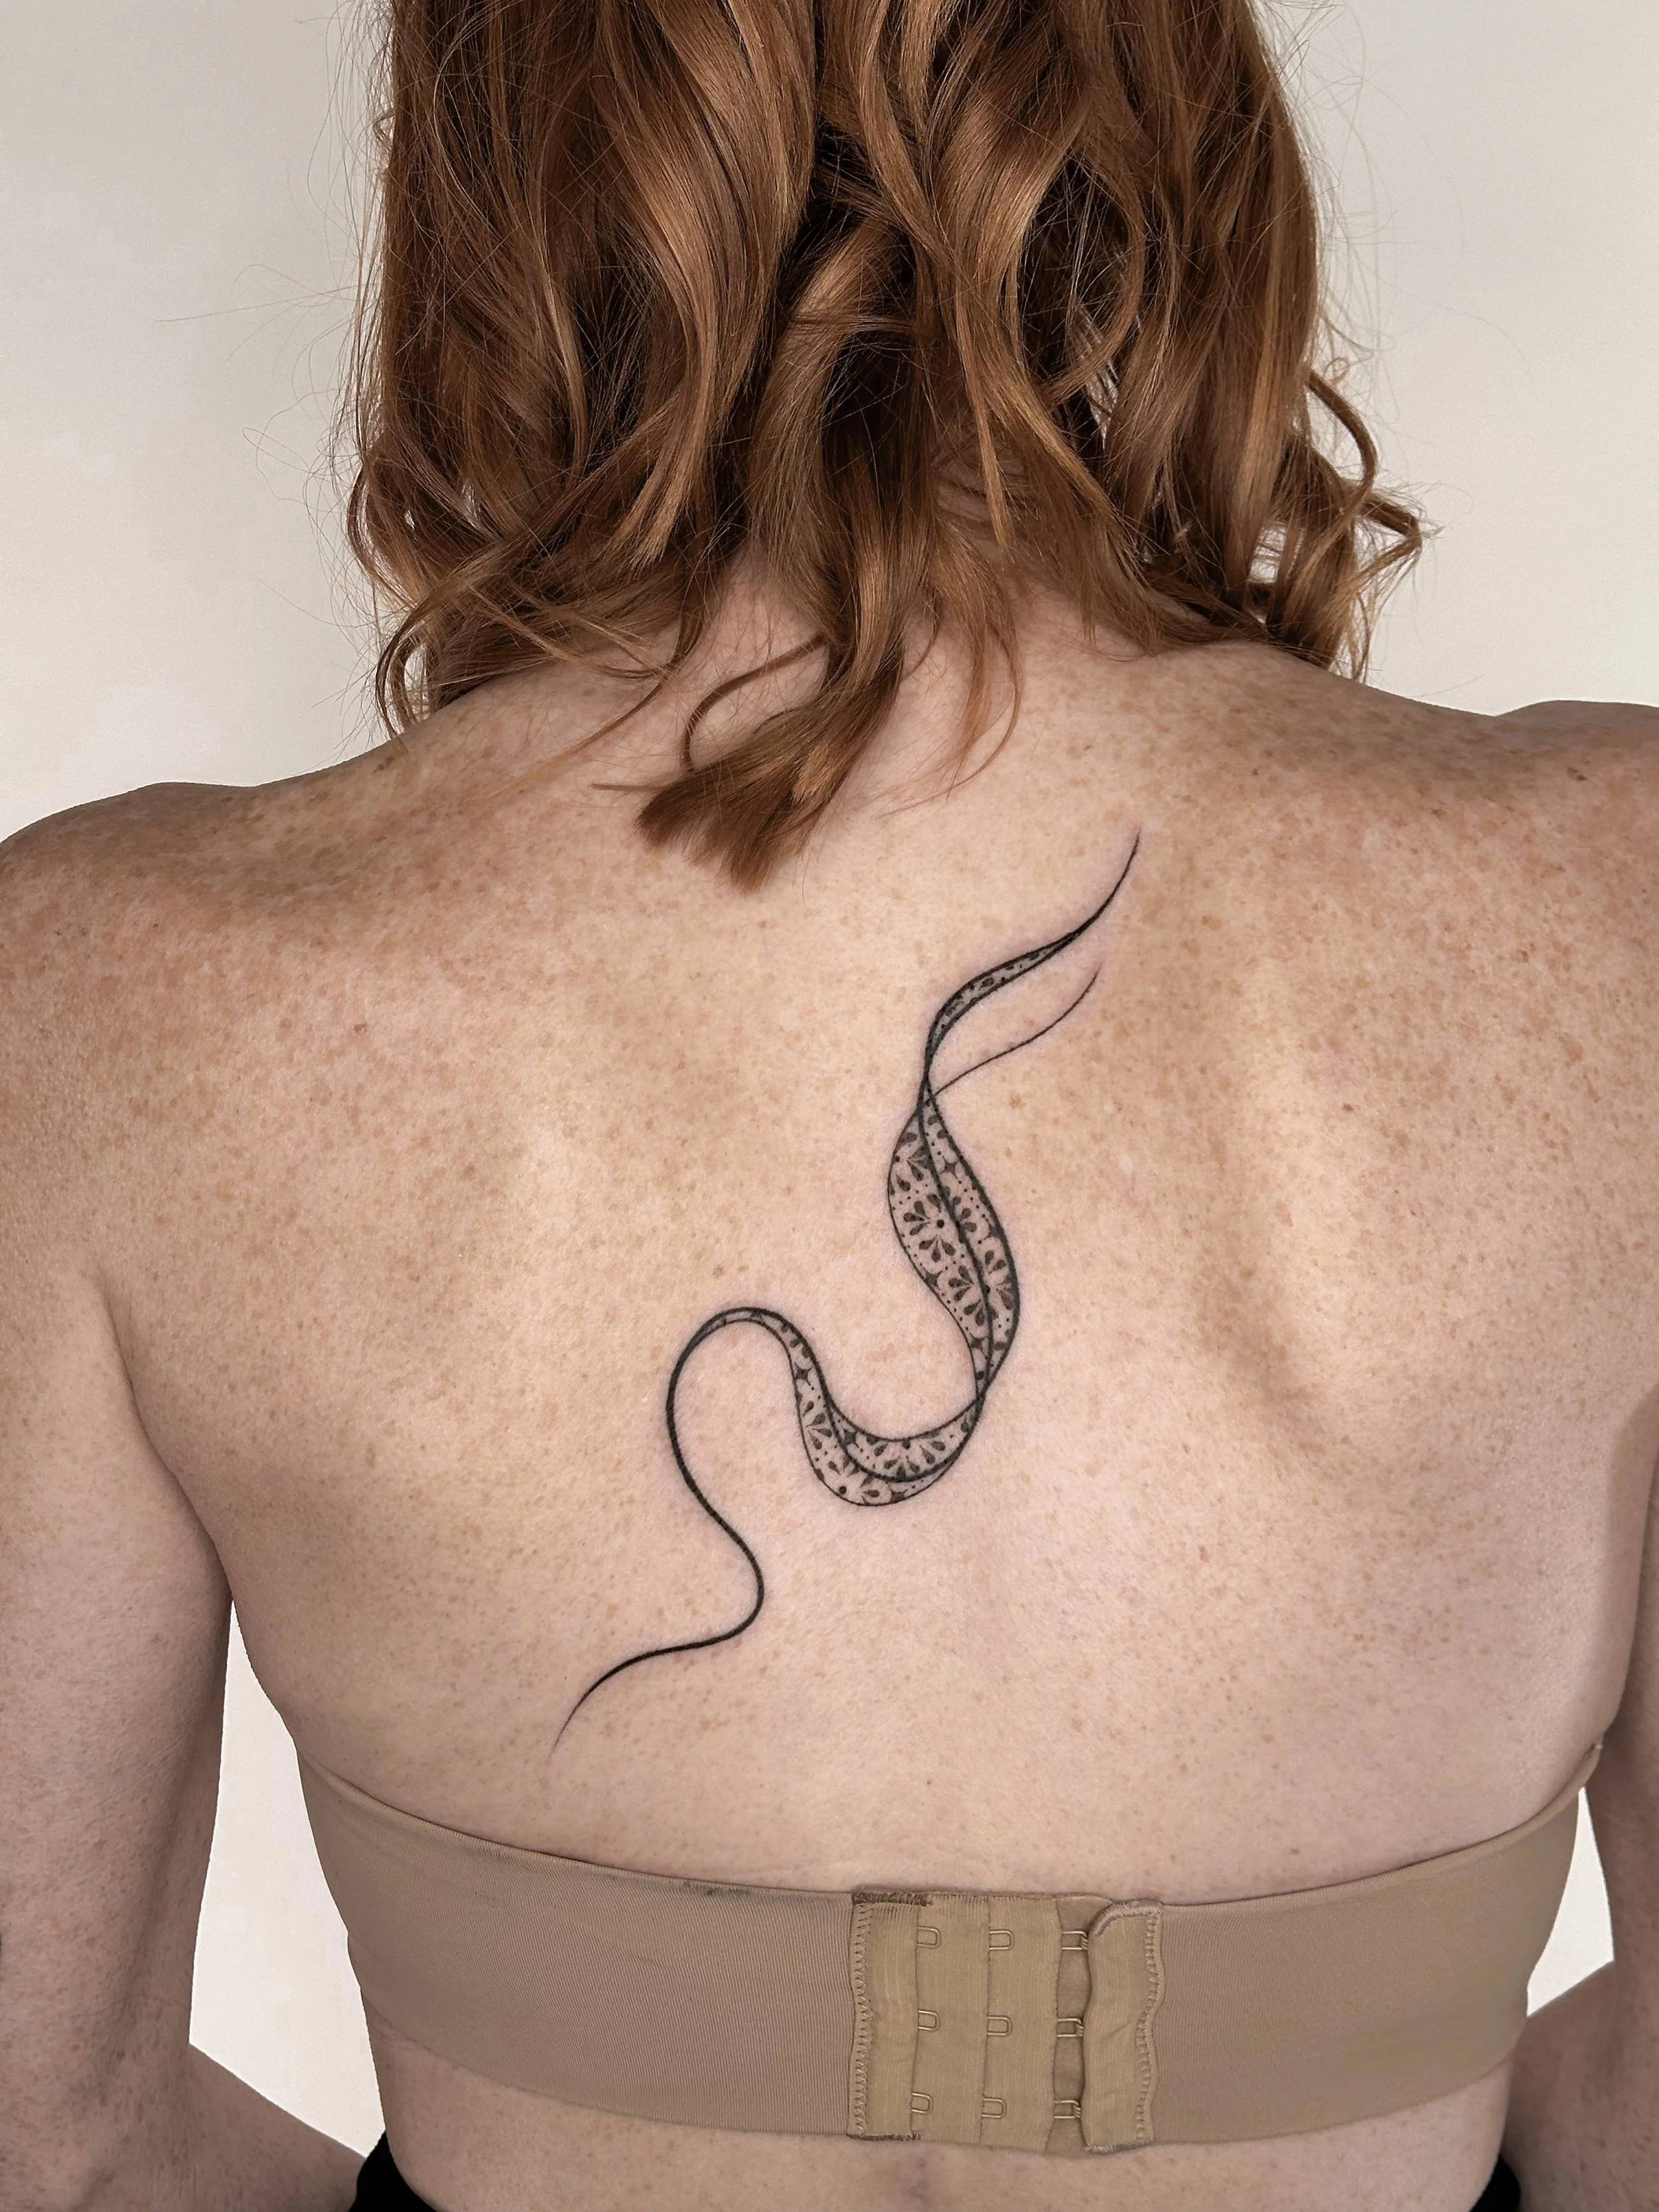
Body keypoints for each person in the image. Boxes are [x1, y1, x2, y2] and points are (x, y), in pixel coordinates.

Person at [1, 0, 1653, 2207]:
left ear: (484, 183)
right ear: (1184, 137)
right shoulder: (1612, 930)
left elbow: (56, 2139)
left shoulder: (112, 1000)